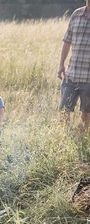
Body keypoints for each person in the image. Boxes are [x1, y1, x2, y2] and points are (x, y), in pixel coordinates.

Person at [58, 0, 90, 130]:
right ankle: (64, 138)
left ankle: (82, 141)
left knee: (86, 115)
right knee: (64, 111)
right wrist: (61, 64)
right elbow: (67, 41)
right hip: (71, 75)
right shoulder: (76, 14)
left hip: (89, 80)